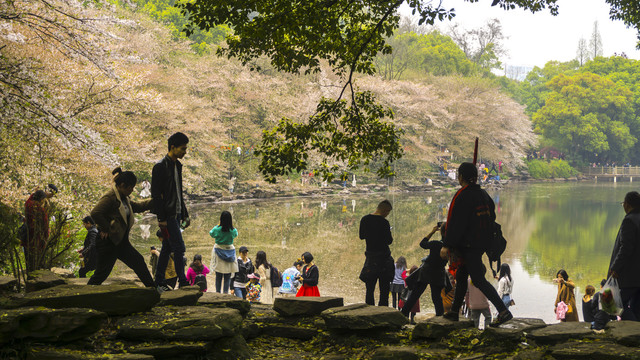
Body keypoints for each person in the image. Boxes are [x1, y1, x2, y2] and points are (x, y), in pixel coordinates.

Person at [440, 162, 513, 326]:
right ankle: (453, 312)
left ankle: (503, 311)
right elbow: (491, 217)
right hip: (481, 243)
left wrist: (447, 245)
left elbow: (456, 223)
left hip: (468, 245)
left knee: (479, 280)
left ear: (460, 177)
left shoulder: (462, 195)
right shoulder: (483, 194)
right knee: (461, 275)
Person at [88, 168, 154, 287]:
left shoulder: (124, 198)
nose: (132, 190)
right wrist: (106, 228)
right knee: (101, 275)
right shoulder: (110, 197)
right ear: (122, 185)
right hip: (108, 242)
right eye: (131, 187)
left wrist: (154, 201)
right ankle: (84, 296)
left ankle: (153, 289)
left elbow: (137, 207)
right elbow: (95, 213)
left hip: (121, 242)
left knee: (138, 262)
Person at [152, 132, 190, 292]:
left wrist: (185, 213)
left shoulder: (177, 166)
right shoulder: (160, 166)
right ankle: (183, 281)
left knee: (167, 248)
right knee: (179, 248)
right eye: (182, 148)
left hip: (177, 212)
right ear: (172, 147)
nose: (185, 152)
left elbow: (178, 192)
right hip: (168, 215)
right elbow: (156, 194)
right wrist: (161, 218)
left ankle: (159, 280)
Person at [401, 223, 448, 318]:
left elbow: (422, 243)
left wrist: (432, 231)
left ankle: (404, 314)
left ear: (441, 232)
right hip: (439, 273)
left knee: (415, 294)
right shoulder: (451, 246)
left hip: (427, 271)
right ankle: (440, 317)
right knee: (436, 297)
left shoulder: (436, 244)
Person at [608, 191, 640, 321]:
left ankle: (634, 333)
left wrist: (615, 268)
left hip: (629, 274)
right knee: (636, 307)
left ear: (626, 204)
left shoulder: (629, 220)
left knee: (615, 305)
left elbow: (626, 247)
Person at [359, 200, 394, 306]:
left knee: (369, 289)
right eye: (388, 212)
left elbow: (361, 236)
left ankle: (369, 310)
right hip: (384, 259)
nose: (387, 215)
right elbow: (389, 241)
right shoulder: (384, 222)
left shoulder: (364, 219)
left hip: (371, 258)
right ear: (384, 210)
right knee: (384, 289)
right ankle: (383, 312)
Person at [23, 186, 56, 273]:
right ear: (41, 199)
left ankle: (30, 278)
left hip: (27, 237)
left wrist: (38, 193)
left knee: (28, 260)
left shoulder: (28, 204)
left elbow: (31, 197)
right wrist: (46, 237)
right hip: (36, 239)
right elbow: (45, 225)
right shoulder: (39, 209)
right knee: (36, 261)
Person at [209, 211, 239, 294]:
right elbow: (236, 235)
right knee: (227, 275)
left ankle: (217, 292)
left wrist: (218, 225)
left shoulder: (217, 229)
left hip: (219, 251)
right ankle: (225, 293)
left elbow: (211, 234)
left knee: (218, 275)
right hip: (230, 251)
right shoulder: (233, 230)